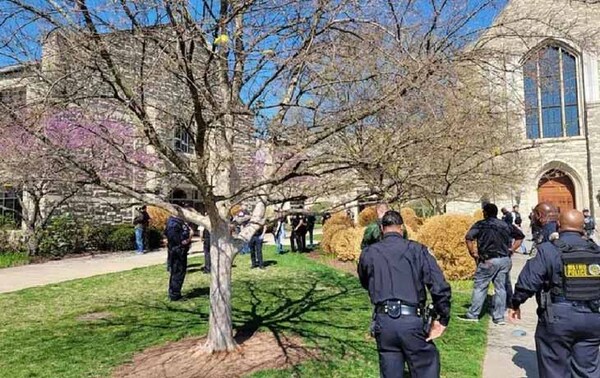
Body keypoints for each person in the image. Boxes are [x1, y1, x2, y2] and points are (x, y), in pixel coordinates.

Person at [358, 210, 451, 377]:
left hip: (384, 322)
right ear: (402, 228)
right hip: (411, 321)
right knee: (426, 367)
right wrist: (443, 318)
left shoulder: (369, 253)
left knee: (390, 370)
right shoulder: (418, 250)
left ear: (381, 228)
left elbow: (365, 281)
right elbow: (439, 286)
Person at [508, 209, 600, 378]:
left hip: (558, 317)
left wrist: (515, 303)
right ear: (583, 226)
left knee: (554, 369)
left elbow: (529, 281)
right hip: (593, 318)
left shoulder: (548, 250)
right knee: (588, 370)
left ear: (558, 225)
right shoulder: (596, 251)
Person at [459, 203, 524, 325]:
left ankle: (473, 314)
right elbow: (520, 236)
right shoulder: (505, 225)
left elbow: (469, 238)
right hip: (504, 259)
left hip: (488, 260)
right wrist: (512, 249)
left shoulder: (481, 224)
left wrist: (473, 252)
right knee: (501, 288)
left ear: (485, 213)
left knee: (480, 287)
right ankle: (499, 317)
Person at [165, 213, 192, 301]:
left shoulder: (179, 222)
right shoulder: (173, 223)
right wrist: (189, 238)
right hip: (177, 251)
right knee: (178, 272)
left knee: (180, 272)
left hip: (180, 250)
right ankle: (174, 294)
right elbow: (176, 240)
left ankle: (175, 292)